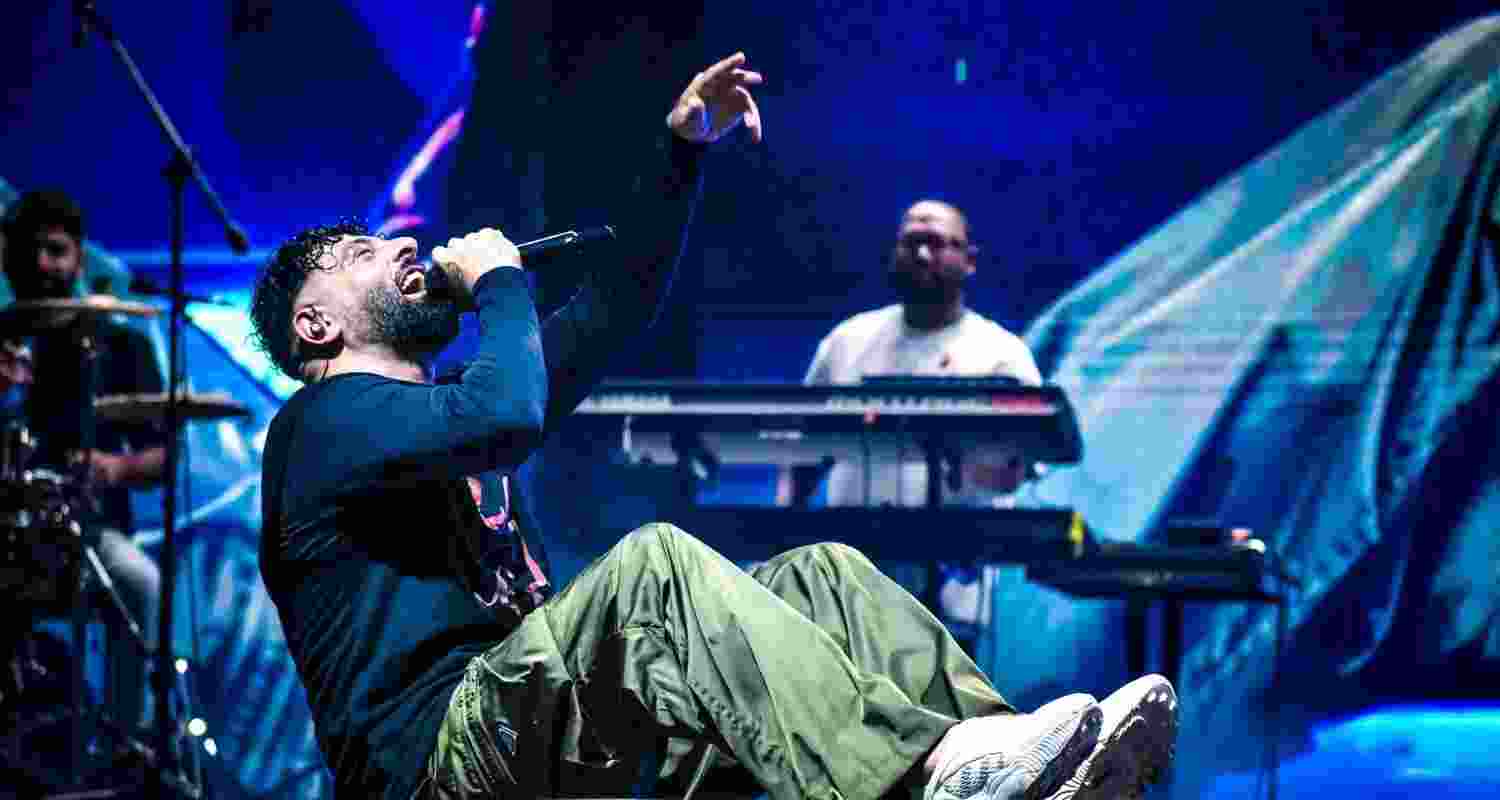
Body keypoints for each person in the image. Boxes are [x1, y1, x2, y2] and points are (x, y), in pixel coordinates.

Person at [251, 53, 1177, 800]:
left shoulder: (440, 408)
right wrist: (497, 283)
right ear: (316, 325)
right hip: (442, 760)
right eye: (367, 253)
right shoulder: (319, 428)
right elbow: (506, 415)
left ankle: (1019, 769)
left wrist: (680, 152)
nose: (405, 247)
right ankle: (928, 776)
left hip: (544, 730)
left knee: (825, 577)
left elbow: (613, 309)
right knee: (652, 567)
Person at [776, 199, 1043, 649]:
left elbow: (1020, 469)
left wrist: (953, 457)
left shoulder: (1000, 353)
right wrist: (783, 539)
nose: (922, 255)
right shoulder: (847, 341)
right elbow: (802, 452)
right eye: (912, 243)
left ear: (969, 259)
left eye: (936, 244)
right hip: (849, 591)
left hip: (951, 596)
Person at [0, 188, 169, 733]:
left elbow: (165, 458)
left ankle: (127, 743)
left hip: (85, 533)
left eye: (55, 251)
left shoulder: (117, 345)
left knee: (141, 584)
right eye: (28, 252)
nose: (41, 266)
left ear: (78, 257)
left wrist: (113, 469)